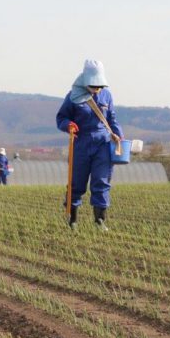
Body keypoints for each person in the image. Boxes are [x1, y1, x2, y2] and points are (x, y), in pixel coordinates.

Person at [56, 59, 123, 230]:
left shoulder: (107, 96)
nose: (96, 88)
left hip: (103, 144)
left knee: (101, 181)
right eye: (93, 84)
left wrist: (119, 136)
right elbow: (61, 118)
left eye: (99, 84)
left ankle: (100, 220)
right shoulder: (73, 96)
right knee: (76, 182)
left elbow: (112, 119)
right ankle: (72, 220)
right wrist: (68, 126)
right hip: (80, 143)